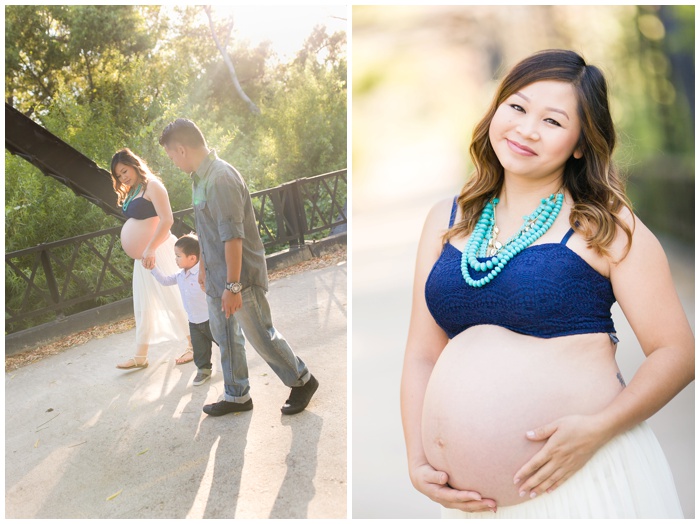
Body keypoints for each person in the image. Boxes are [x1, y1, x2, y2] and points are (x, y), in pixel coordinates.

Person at [400, 49, 694, 518]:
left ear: (580, 143)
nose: (526, 129)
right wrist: (418, 458)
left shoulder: (605, 225)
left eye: (553, 121)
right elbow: (421, 355)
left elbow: (677, 353)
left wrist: (600, 428)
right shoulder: (446, 219)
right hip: (470, 506)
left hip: (585, 484)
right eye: (516, 107)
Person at [158, 118, 319, 416]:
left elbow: (233, 236)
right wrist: (204, 269)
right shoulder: (199, 179)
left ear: (181, 149)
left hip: (239, 277)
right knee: (226, 336)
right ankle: (237, 395)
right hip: (218, 276)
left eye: (170, 157)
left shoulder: (221, 178)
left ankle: (302, 380)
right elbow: (207, 231)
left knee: (261, 334)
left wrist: (233, 286)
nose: (173, 163)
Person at [110, 148, 192, 369]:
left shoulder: (153, 185)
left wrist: (151, 248)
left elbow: (167, 219)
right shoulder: (133, 189)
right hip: (144, 255)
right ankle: (141, 355)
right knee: (144, 303)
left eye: (125, 171)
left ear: (135, 164)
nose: (123, 177)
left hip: (160, 250)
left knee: (173, 296)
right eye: (119, 175)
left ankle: (194, 344)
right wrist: (143, 250)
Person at [151, 233, 215, 386]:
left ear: (192, 258)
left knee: (224, 343)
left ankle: (232, 365)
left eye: (178, 256)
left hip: (210, 319)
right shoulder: (180, 275)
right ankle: (203, 370)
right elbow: (165, 281)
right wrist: (153, 268)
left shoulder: (202, 274)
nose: (175, 259)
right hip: (193, 321)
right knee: (200, 349)